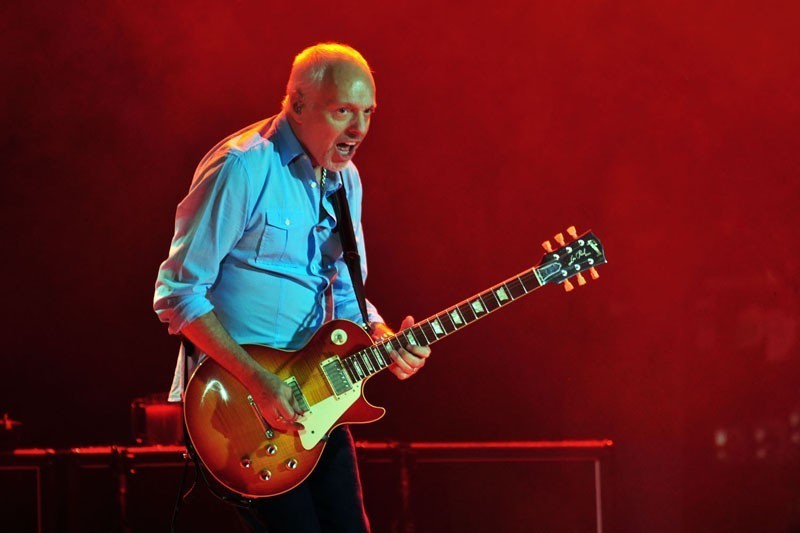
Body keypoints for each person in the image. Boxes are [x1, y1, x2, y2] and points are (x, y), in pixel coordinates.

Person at [153, 43, 431, 532]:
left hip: (319, 397)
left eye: (367, 113)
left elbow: (345, 291)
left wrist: (382, 335)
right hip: (241, 406)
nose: (359, 129)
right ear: (298, 105)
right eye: (343, 111)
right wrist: (258, 381)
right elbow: (178, 293)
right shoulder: (242, 167)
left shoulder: (347, 181)